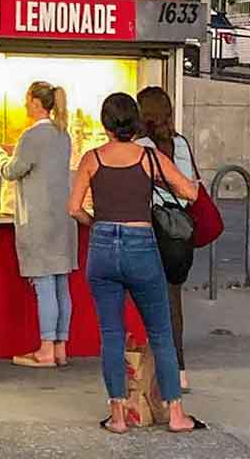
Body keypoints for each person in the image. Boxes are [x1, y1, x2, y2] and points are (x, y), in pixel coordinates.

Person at [68, 93, 206, 434]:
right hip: (141, 245)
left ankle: (117, 417)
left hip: (102, 246)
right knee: (160, 331)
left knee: (111, 333)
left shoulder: (92, 159)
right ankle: (176, 414)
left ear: (105, 124)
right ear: (136, 122)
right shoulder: (148, 157)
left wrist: (96, 224)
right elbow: (190, 192)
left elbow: (73, 208)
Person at [0, 81, 77, 368]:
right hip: (63, 219)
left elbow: (12, 171)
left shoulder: (32, 136)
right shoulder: (63, 135)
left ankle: (46, 349)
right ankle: (61, 346)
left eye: (27, 100)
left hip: (39, 220)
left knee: (44, 282)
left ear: (37, 103)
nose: (24, 105)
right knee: (62, 281)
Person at [136, 86, 198, 393]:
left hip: (152, 228)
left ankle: (155, 372)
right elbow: (193, 188)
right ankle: (180, 370)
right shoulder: (181, 143)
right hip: (180, 230)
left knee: (151, 301)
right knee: (173, 301)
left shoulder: (141, 146)